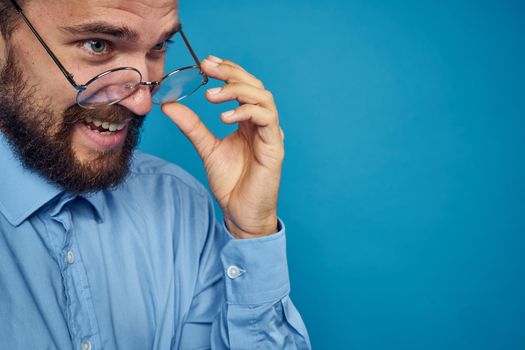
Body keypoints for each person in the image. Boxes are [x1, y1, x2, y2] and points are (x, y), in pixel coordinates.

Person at [0, 0, 311, 349]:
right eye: (98, 45)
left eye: (159, 46)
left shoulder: (177, 204)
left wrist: (251, 234)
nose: (142, 103)